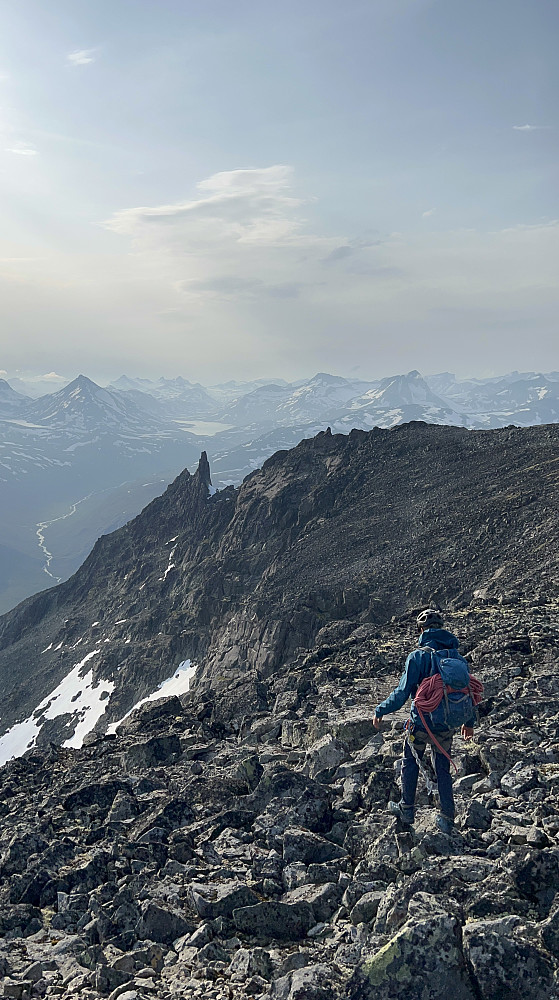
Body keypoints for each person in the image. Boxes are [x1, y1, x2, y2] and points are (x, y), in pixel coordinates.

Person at [373, 608, 475, 835]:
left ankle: (407, 809)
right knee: (443, 768)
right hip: (447, 724)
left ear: (420, 631)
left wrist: (380, 710)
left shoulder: (417, 656)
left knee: (410, 761)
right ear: (442, 629)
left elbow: (401, 694)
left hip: (420, 724)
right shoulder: (456, 658)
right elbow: (467, 692)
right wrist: (469, 723)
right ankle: (447, 818)